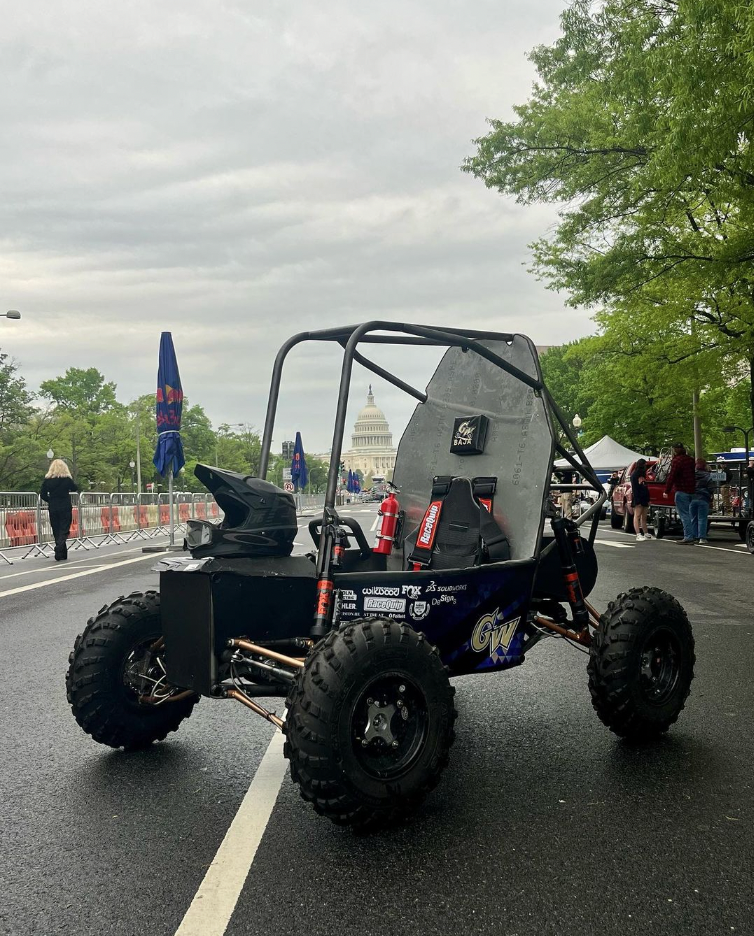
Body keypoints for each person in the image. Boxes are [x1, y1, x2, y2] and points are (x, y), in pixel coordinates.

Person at [40, 459, 78, 560]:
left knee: (56, 529)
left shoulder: (47, 480)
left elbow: (42, 494)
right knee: (64, 529)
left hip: (53, 506)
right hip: (65, 505)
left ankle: (61, 554)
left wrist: (50, 500)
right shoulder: (66, 480)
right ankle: (59, 547)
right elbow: (75, 488)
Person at [663, 443, 696, 543]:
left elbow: (672, 476)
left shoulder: (676, 461)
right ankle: (695, 534)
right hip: (692, 490)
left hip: (681, 490)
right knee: (692, 515)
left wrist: (667, 490)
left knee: (684, 514)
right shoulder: (690, 460)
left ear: (675, 450)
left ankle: (688, 536)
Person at [690, 458, 714, 544]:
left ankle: (694, 536)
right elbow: (711, 489)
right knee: (702, 519)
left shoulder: (692, 475)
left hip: (692, 498)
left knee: (693, 518)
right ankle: (702, 538)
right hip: (704, 499)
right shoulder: (708, 476)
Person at [630, 458, 651, 541]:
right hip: (638, 497)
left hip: (644, 497)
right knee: (637, 515)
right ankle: (638, 533)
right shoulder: (635, 475)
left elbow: (645, 488)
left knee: (644, 516)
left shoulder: (642, 475)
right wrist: (637, 500)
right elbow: (635, 489)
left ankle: (645, 533)